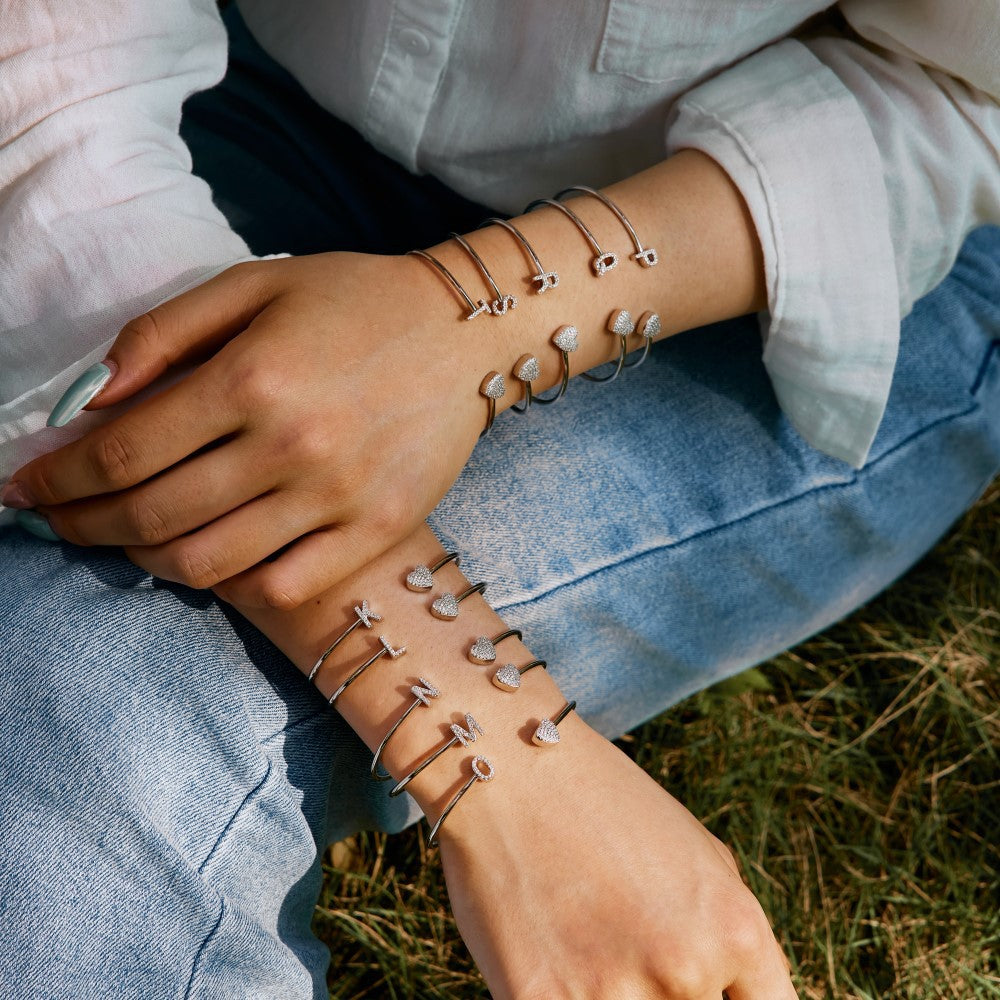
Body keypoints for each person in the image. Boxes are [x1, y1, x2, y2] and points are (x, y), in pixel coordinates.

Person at [1, 1, 998, 997]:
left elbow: (962, 94)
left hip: (823, 238)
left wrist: (477, 321)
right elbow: (37, 85)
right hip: (256, 89)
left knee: (116, 680)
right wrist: (491, 731)